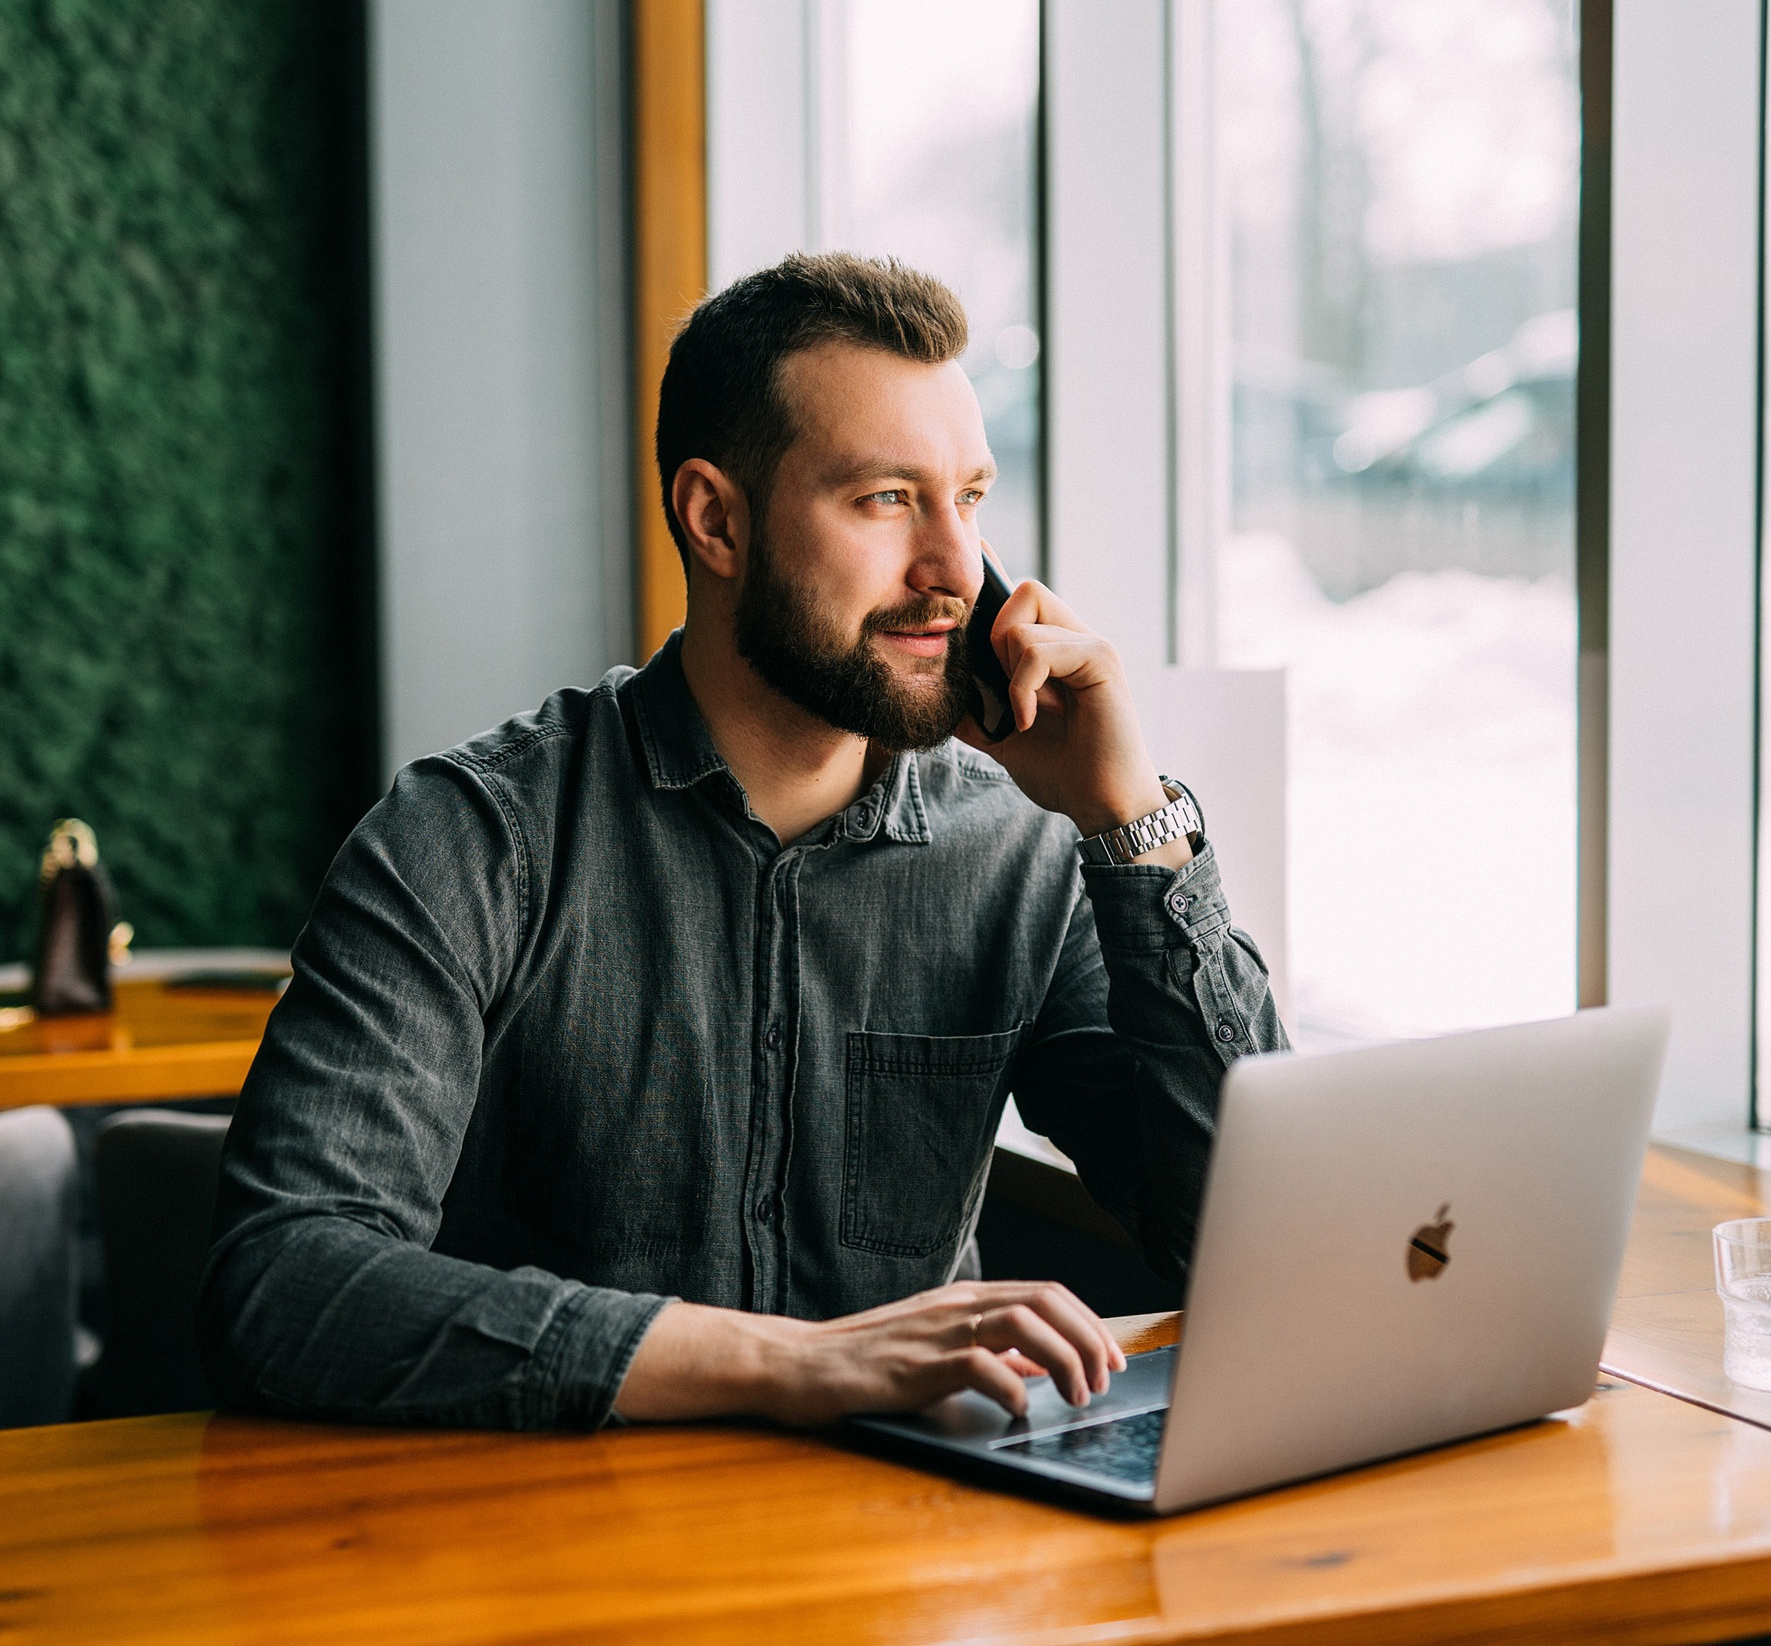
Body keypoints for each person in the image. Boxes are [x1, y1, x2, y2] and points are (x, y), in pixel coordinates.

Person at [197, 252, 1285, 1431]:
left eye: (967, 499)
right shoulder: (470, 840)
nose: (956, 573)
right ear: (715, 520)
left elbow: (1253, 1237)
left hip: (909, 1566)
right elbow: (287, 1280)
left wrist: (1134, 827)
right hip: (549, 1563)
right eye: (884, 499)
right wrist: (791, 1363)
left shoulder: (1019, 849)